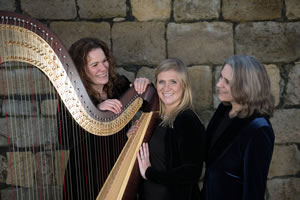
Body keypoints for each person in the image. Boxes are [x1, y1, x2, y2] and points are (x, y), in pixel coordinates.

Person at [57, 37, 150, 200]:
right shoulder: (72, 97)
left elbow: (151, 104)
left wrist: (145, 86)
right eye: (95, 65)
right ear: (81, 69)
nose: (103, 68)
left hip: (119, 168)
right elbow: (65, 140)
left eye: (104, 61)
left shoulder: (120, 85)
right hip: (84, 176)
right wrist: (95, 112)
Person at [129, 58, 205, 200]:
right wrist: (131, 139)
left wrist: (149, 173)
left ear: (184, 85)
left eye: (173, 82)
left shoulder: (187, 120)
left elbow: (192, 172)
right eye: (161, 82)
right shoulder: (155, 118)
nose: (166, 88)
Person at [201, 55, 275, 200]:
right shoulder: (224, 110)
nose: (219, 84)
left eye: (227, 82)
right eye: (221, 77)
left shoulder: (259, 128)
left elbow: (253, 191)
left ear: (247, 86)